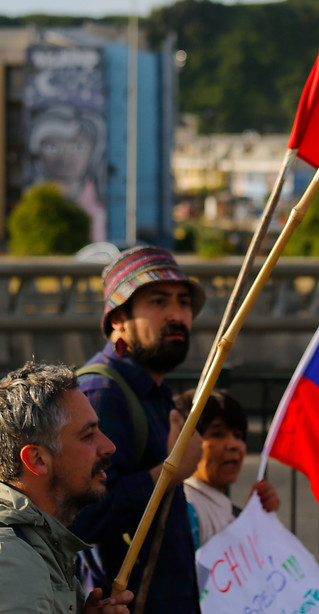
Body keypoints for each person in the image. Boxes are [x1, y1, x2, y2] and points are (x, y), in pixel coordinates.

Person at [0, 362, 133, 614]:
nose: (109, 446)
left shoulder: (30, 546)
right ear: (36, 459)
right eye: (88, 435)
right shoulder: (2, 565)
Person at [71, 246, 206, 614]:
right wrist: (166, 475)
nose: (177, 315)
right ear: (118, 319)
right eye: (159, 302)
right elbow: (81, 516)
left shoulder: (153, 391)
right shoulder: (102, 394)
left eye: (183, 302)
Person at [172, 389, 280, 548]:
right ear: (187, 441)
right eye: (217, 434)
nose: (234, 445)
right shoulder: (186, 509)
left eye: (238, 436)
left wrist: (255, 518)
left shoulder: (224, 509)